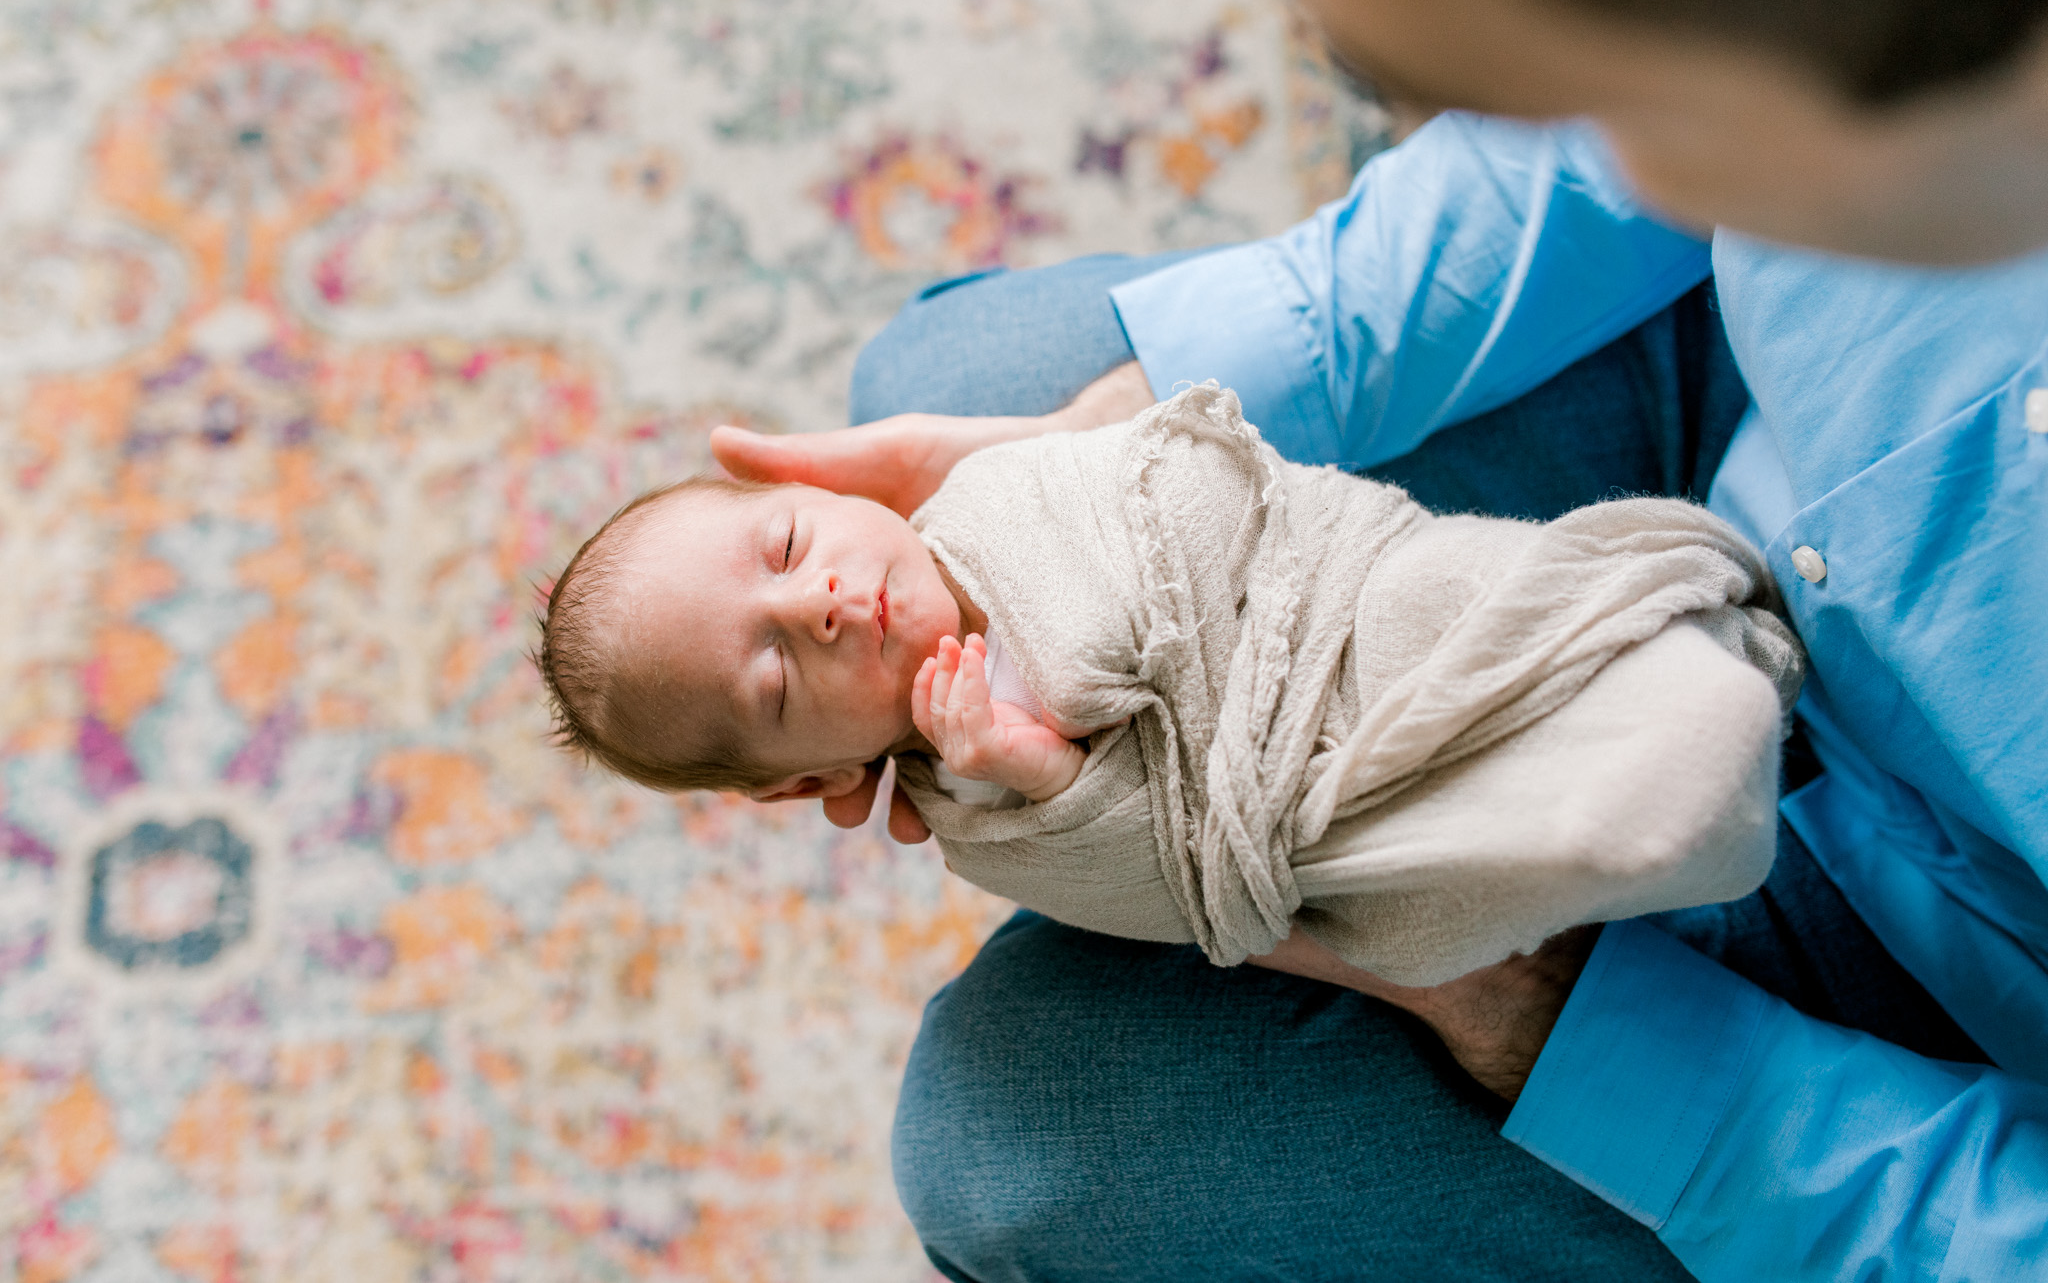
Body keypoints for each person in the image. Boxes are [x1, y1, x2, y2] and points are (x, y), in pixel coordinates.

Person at [709, 0, 2048, 1277]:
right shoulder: (1812, 53)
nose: (1623, 159)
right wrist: (1120, 427)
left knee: (1008, 1148)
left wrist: (1542, 1019)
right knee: (963, 390)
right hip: (1719, 456)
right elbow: (1611, 146)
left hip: (1934, 971)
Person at [538, 391, 1797, 988]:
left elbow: (1201, 484)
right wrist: (1042, 773)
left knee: (1507, 608)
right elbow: (1194, 889)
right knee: (1518, 843)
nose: (812, 606)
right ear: (810, 780)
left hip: (1347, 612)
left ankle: (1690, 678)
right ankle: (1676, 793)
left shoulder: (998, 493)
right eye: (773, 675)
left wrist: (1094, 646)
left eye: (786, 549)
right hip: (1325, 792)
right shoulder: (978, 819)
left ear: (829, 496)